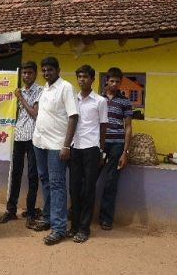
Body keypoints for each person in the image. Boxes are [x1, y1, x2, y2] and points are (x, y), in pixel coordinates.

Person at [32, 57, 78, 246]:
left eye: (50, 69)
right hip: (39, 142)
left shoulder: (66, 87)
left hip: (57, 145)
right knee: (45, 180)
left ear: (58, 70)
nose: (46, 72)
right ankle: (49, 217)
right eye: (44, 69)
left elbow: (73, 117)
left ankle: (59, 228)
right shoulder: (45, 88)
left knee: (57, 183)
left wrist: (66, 145)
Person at [0, 61, 43, 228]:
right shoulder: (18, 91)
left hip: (33, 138)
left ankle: (30, 213)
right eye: (24, 73)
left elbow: (35, 114)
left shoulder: (40, 91)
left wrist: (21, 98)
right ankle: (11, 210)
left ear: (35, 73)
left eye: (29, 73)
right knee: (15, 174)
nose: (26, 76)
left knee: (32, 176)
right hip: (18, 137)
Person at [68, 64, 108, 243]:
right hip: (74, 148)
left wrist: (101, 150)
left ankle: (84, 228)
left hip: (91, 149)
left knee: (88, 190)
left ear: (93, 79)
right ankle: (74, 225)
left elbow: (103, 127)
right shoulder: (72, 100)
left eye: (85, 77)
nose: (81, 79)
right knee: (74, 188)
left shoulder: (100, 101)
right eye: (79, 77)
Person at [98, 67, 132, 231]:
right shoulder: (97, 98)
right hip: (98, 144)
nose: (115, 84)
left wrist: (125, 152)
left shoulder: (124, 101)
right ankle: (80, 214)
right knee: (89, 179)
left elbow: (128, 127)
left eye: (118, 81)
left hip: (117, 144)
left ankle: (106, 219)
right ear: (106, 81)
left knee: (111, 183)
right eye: (112, 81)